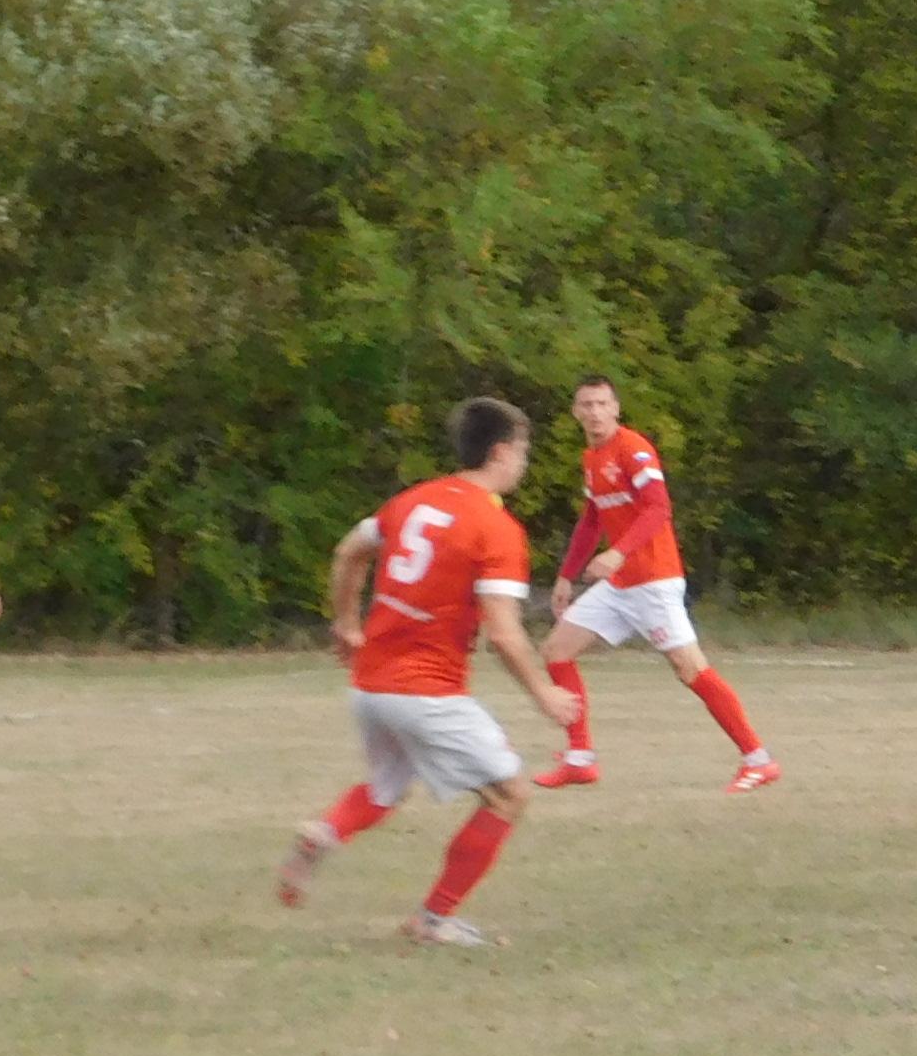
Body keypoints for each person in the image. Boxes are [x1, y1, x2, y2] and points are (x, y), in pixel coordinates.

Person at [283, 397, 559, 944]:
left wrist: (345, 624)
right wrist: (545, 694)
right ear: (501, 452)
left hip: (370, 686)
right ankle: (432, 919)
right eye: (524, 449)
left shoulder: (414, 500)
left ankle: (324, 831)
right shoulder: (495, 527)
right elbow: (504, 633)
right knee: (510, 796)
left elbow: (347, 554)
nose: (524, 461)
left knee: (385, 789)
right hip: (427, 691)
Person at [536, 379, 778, 790]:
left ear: (616, 408)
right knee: (556, 651)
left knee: (690, 670)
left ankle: (758, 759)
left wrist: (618, 553)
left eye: (601, 403)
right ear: (575, 412)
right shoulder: (591, 457)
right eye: (586, 405)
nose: (594, 411)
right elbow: (592, 519)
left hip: (654, 581)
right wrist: (565, 575)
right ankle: (580, 758)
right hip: (620, 584)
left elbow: (658, 508)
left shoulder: (633, 448)